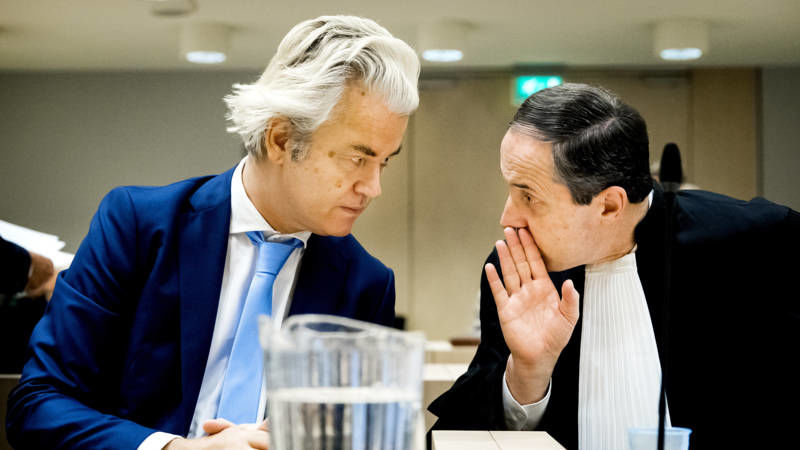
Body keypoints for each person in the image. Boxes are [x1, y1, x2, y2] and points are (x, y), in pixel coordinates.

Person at [6, 15, 419, 450]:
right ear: (281, 139)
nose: (374, 187)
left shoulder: (366, 284)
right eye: (358, 158)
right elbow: (37, 407)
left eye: (384, 162)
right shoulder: (138, 227)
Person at [429, 83, 799, 449]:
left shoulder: (755, 243)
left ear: (609, 206)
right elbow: (462, 432)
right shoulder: (519, 268)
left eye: (528, 196)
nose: (507, 218)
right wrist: (527, 373)